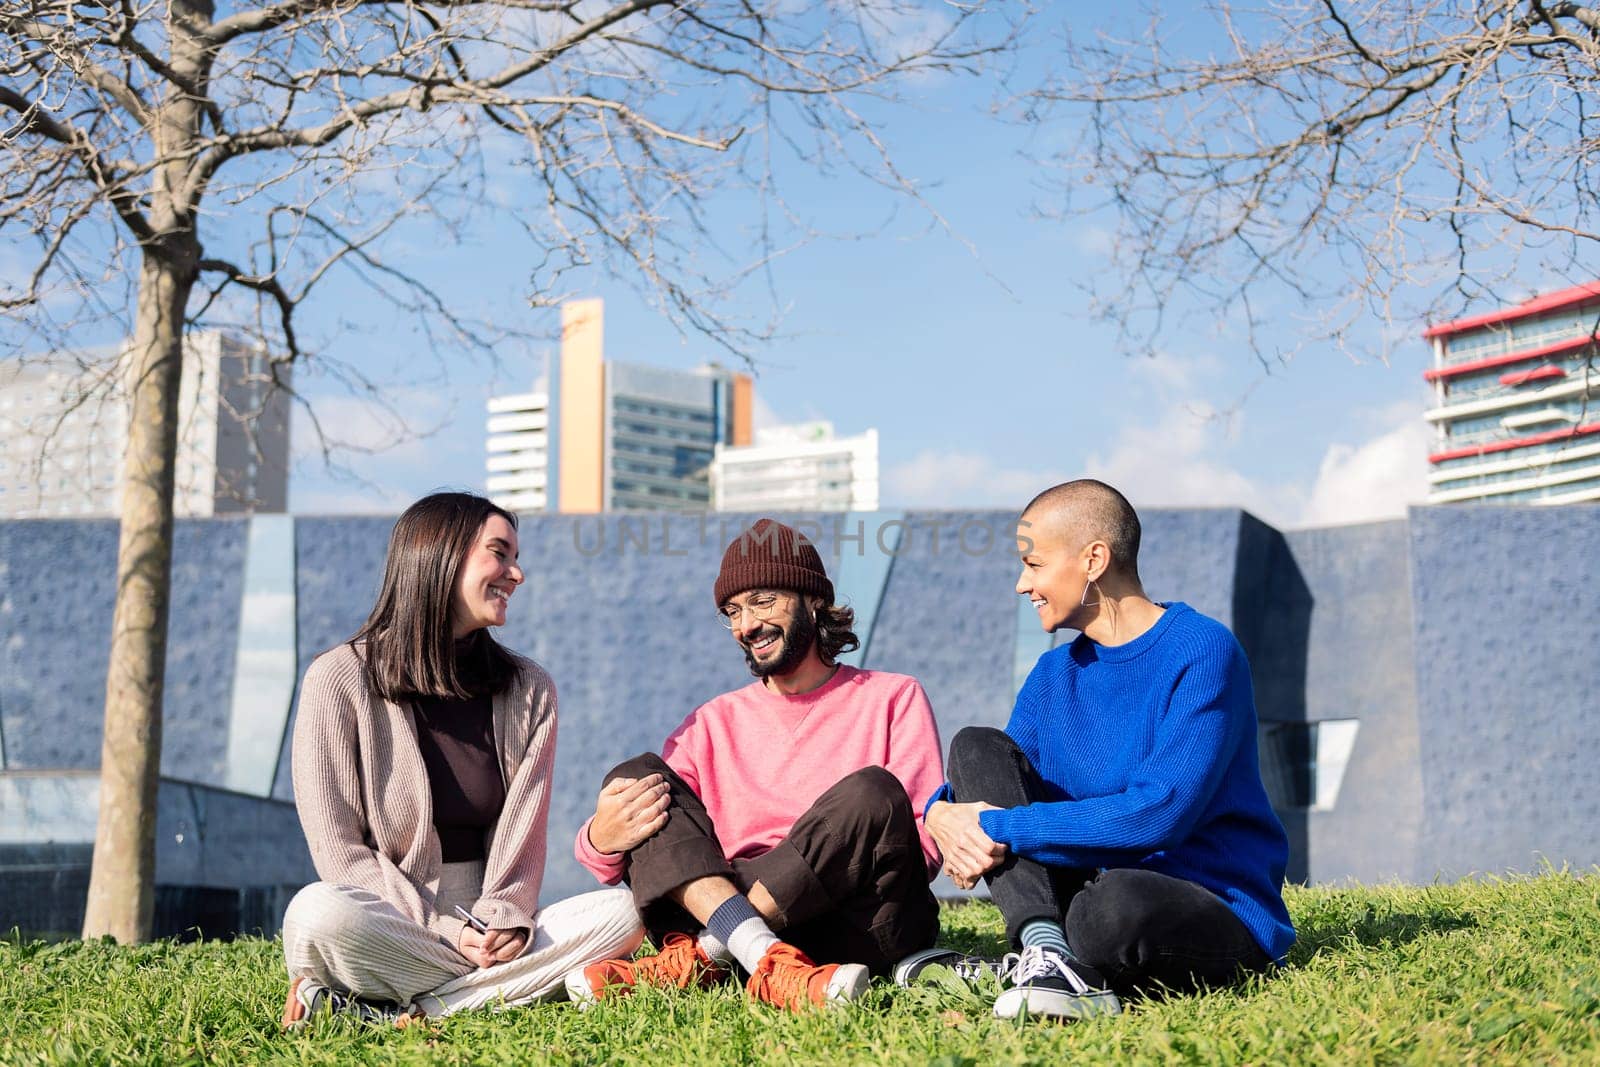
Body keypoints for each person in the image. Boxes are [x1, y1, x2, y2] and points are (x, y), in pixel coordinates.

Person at [906, 479, 1295, 1021]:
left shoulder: (1203, 649)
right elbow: (996, 782)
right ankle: (1044, 952)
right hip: (1086, 890)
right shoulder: (1052, 674)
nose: (1022, 584)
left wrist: (989, 828)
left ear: (1093, 559)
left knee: (1112, 910)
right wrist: (941, 813)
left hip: (1198, 902)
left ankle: (1038, 960)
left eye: (1034, 564)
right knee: (974, 746)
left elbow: (1158, 814)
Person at [279, 492, 642, 1026]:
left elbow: (524, 840)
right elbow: (340, 852)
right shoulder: (337, 680)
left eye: (516, 558)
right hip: (388, 917)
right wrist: (447, 932)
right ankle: (482, 994)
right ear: (441, 556)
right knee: (316, 913)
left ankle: (395, 1011)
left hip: (493, 922)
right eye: (500, 553)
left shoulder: (530, 689)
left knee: (626, 913)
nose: (516, 574)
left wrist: (504, 921)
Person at [565, 518, 945, 1011]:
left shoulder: (893, 697)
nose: (746, 626)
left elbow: (924, 846)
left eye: (763, 601)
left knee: (871, 792)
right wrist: (599, 838)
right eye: (733, 611)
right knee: (636, 775)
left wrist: (810, 869)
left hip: (854, 919)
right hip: (738, 895)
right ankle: (766, 958)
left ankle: (714, 953)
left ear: (813, 600)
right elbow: (653, 847)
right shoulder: (710, 723)